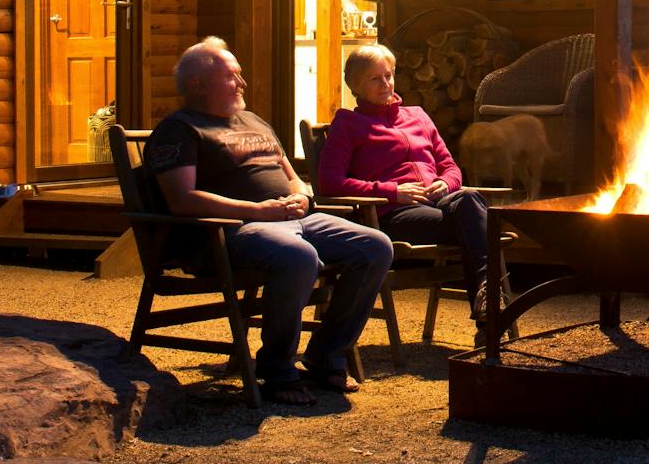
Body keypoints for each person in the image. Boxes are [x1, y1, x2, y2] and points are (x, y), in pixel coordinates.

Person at [145, 37, 393, 406]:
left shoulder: (253, 121)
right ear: (199, 85)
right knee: (299, 257)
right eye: (233, 76)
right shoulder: (180, 129)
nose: (243, 83)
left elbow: (291, 175)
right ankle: (277, 369)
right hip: (230, 232)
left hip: (290, 218)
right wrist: (259, 211)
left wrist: (300, 195)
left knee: (375, 246)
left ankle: (326, 355)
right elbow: (183, 200)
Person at [316, 44, 493, 342]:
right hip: (393, 215)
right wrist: (391, 192)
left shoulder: (418, 116)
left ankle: (489, 303)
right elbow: (329, 183)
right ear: (355, 85)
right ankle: (492, 312)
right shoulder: (348, 124)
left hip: (442, 203)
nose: (386, 84)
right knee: (479, 221)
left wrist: (446, 183)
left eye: (389, 76)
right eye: (375, 79)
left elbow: (449, 166)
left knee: (468, 198)